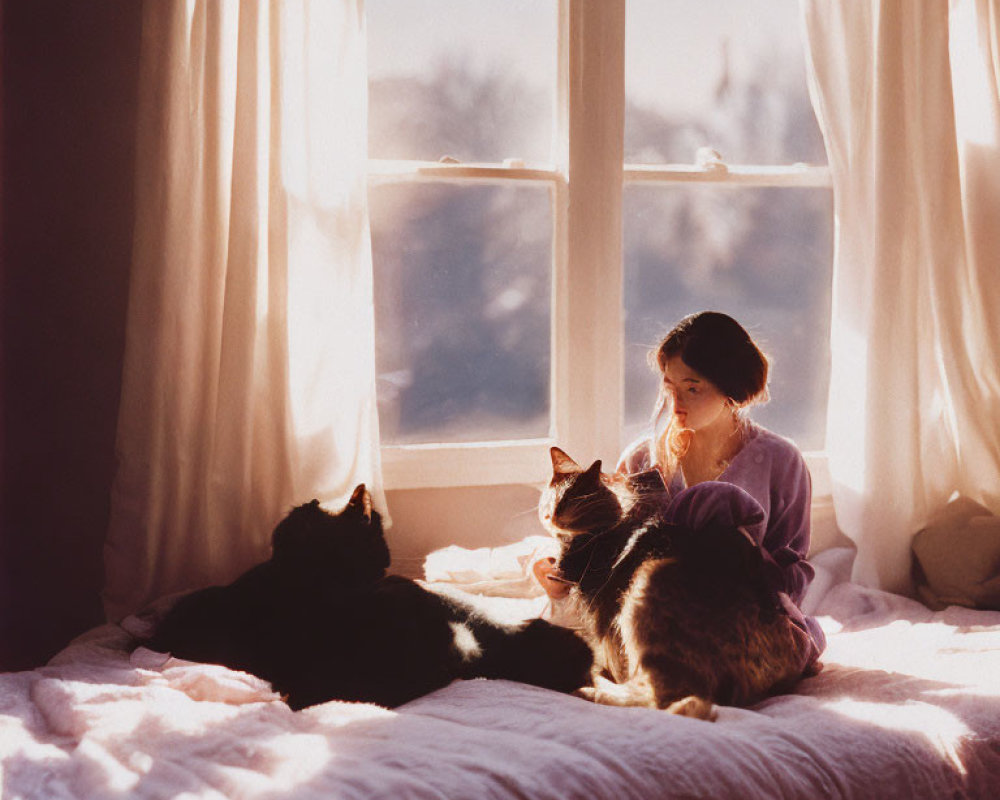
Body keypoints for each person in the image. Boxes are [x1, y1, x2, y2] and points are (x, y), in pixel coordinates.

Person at [535, 310, 824, 675]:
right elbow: (601, 551)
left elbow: (792, 574)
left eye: (692, 388)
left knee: (781, 646)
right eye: (669, 387)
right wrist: (555, 574)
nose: (676, 403)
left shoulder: (781, 461)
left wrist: (737, 564)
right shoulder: (643, 457)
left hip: (738, 616)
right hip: (647, 621)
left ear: (731, 390)